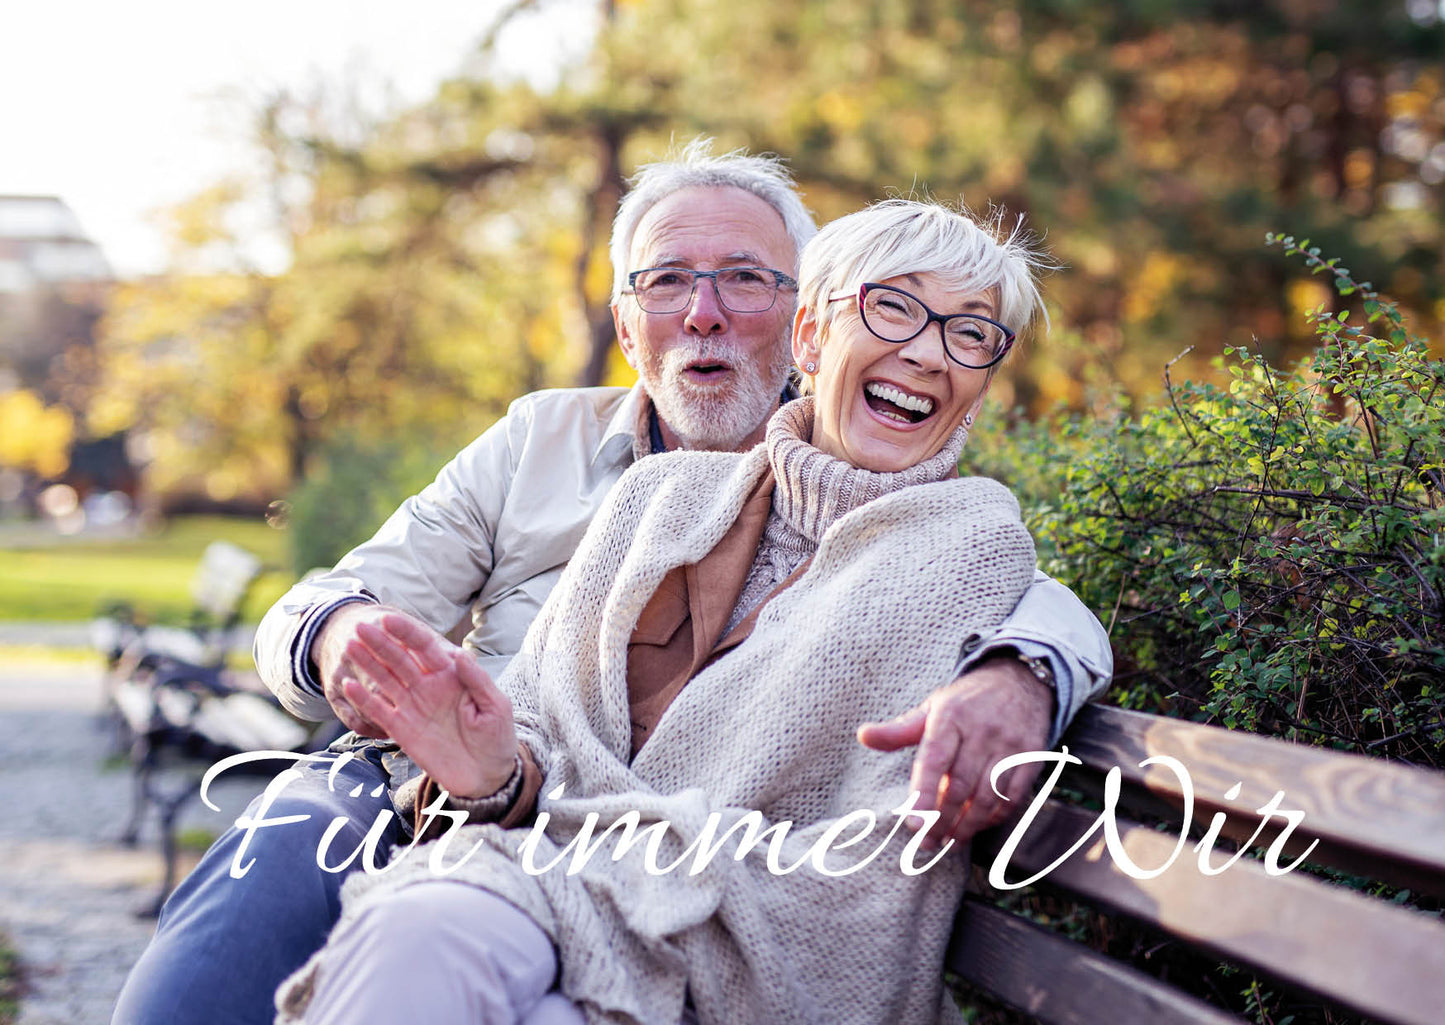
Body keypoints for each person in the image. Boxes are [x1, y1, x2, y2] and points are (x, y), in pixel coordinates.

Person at [112, 143, 1111, 1025]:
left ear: (791, 323)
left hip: (634, 870)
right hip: (440, 785)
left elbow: (1015, 590)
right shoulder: (549, 444)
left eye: (742, 279)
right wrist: (348, 642)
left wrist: (1024, 671)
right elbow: (369, 610)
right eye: (669, 280)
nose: (705, 311)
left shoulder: (953, 532)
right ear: (628, 324)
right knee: (317, 883)